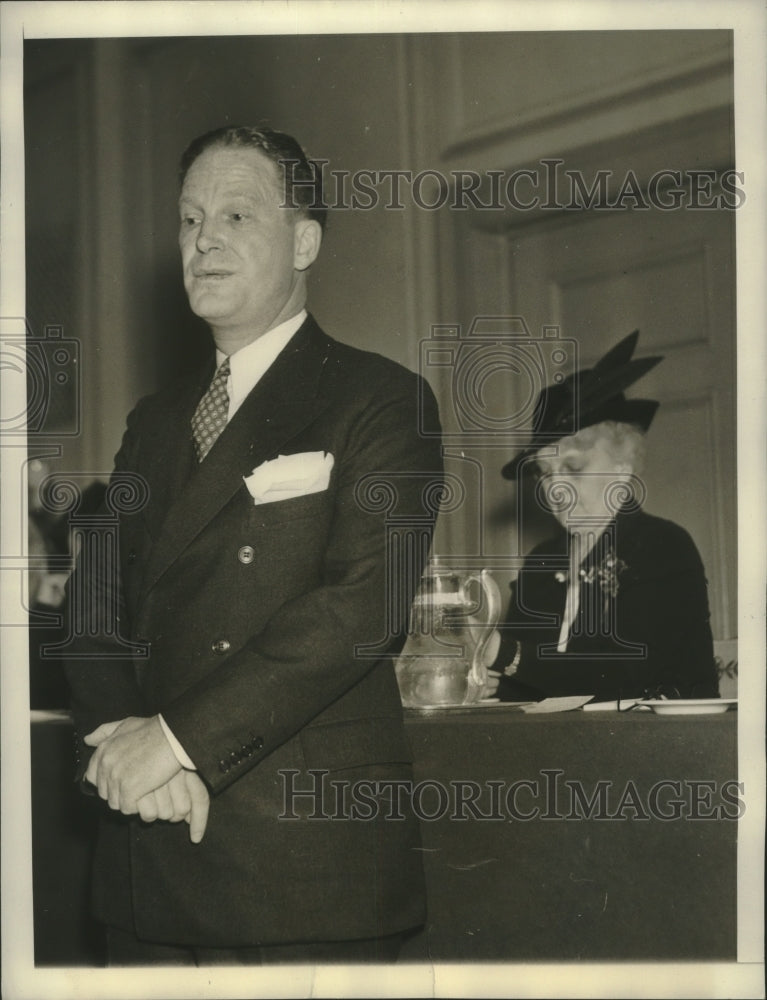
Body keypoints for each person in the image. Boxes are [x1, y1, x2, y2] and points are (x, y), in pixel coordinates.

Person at [64, 125, 443, 965]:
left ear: (304, 243)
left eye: (236, 216)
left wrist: (174, 743)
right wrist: (124, 749)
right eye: (189, 218)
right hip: (144, 848)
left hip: (297, 864)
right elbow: (93, 602)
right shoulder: (153, 420)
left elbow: (362, 609)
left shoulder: (379, 399)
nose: (203, 240)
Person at [490, 331, 719, 704]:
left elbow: (624, 674)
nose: (554, 489)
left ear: (622, 469)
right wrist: (488, 681)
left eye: (573, 467)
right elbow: (523, 688)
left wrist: (501, 653)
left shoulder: (663, 546)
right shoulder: (540, 564)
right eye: (544, 473)